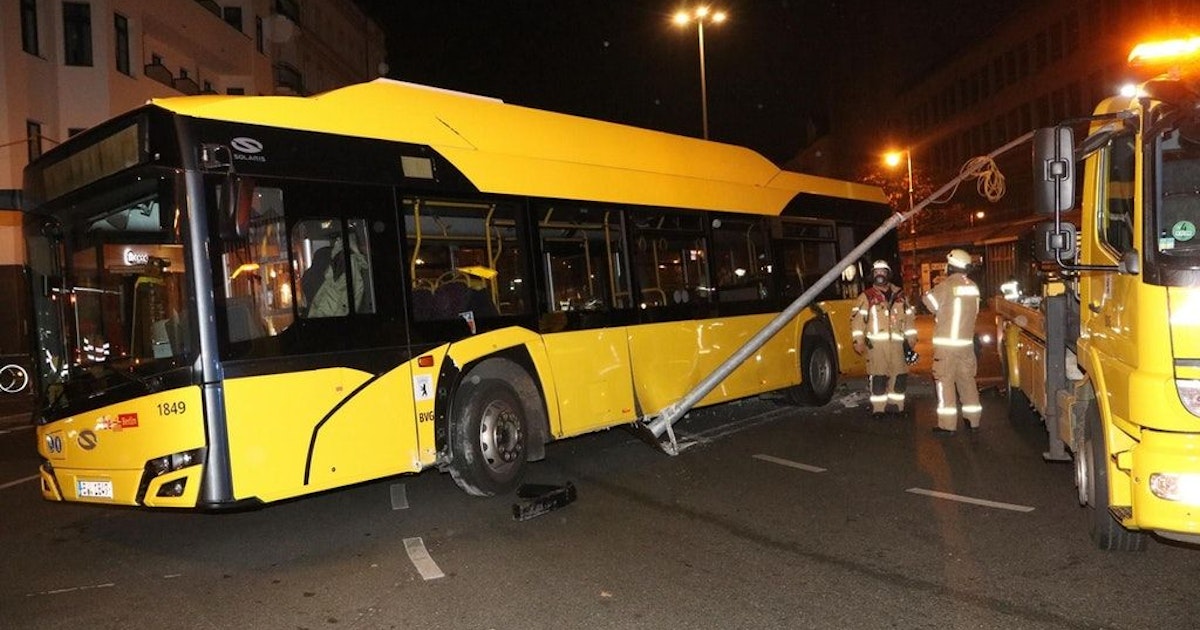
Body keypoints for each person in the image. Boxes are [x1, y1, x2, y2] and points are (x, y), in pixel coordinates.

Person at [922, 248, 982, 435]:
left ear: (950, 266)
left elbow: (928, 302)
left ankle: (947, 425)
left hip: (947, 347)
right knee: (967, 382)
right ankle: (973, 421)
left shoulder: (945, 286)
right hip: (966, 345)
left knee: (945, 383)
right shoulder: (973, 287)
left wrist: (933, 286)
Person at [850, 260, 917, 418]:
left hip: (898, 345)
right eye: (877, 272)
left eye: (883, 271)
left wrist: (912, 338)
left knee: (899, 376)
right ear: (872, 275)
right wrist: (858, 341)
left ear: (888, 274)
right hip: (876, 347)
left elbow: (909, 319)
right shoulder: (866, 297)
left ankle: (897, 406)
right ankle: (879, 409)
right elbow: (857, 321)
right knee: (878, 377)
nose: (880, 275)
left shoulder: (900, 296)